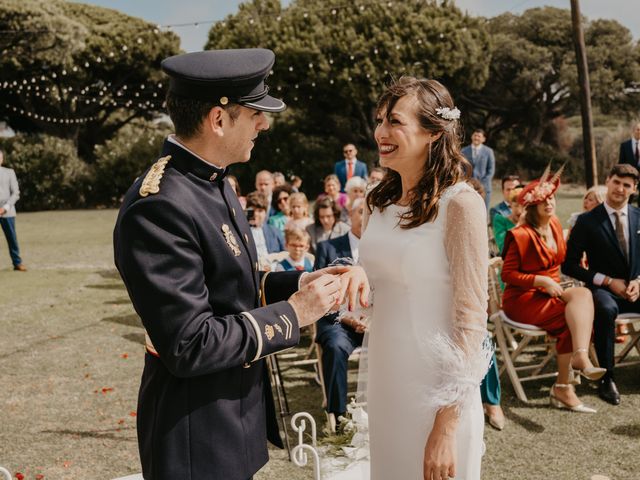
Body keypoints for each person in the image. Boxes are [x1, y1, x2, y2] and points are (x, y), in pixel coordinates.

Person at [112, 48, 368, 480]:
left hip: (235, 412)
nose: (264, 123)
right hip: (196, 427)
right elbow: (190, 343)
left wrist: (303, 280)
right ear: (218, 119)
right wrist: (297, 313)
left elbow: (234, 283)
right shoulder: (158, 206)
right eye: (255, 113)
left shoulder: (216, 182)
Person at [360, 77, 491, 480]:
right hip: (387, 380)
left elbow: (472, 320)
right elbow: (376, 293)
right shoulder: (376, 202)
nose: (381, 131)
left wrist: (445, 427)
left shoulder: (460, 205)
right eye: (380, 119)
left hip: (437, 394)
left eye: (395, 121)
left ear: (434, 133)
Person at [501, 166, 605, 415]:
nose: (549, 203)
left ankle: (580, 358)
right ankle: (563, 386)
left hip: (553, 290)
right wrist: (540, 281)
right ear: (533, 206)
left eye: (552, 199)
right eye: (543, 201)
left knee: (584, 296)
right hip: (522, 298)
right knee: (569, 318)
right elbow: (507, 275)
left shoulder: (557, 225)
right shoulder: (520, 235)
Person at [562, 164, 640, 406]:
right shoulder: (587, 221)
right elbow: (570, 265)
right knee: (605, 310)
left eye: (627, 185)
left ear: (634, 189)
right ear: (608, 181)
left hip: (636, 288)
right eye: (617, 182)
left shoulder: (639, 216)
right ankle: (607, 378)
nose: (620, 188)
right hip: (603, 289)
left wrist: (639, 281)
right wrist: (606, 281)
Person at [314, 198, 366, 425]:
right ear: (350, 214)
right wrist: (350, 319)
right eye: (362, 212)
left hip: (377, 322)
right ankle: (338, 415)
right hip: (338, 322)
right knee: (334, 346)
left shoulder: (384, 251)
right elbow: (319, 294)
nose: (367, 218)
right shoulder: (328, 248)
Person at [0, 149, 26, 271]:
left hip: (7, 212)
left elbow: (16, 193)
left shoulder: (9, 172)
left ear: (2, 159)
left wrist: (5, 208)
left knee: (12, 238)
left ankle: (17, 263)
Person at [245, 191, 285, 266]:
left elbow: (285, 253)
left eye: (260, 211)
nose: (256, 214)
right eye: (252, 211)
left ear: (265, 213)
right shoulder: (242, 232)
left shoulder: (274, 231)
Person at [461, 129, 495, 210]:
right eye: (475, 135)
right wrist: (467, 182)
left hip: (484, 187)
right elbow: (461, 168)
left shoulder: (489, 151)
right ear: (472, 136)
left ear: (483, 139)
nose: (476, 138)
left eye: (479, 136)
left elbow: (491, 170)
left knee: (483, 211)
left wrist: (481, 184)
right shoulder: (463, 151)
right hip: (467, 187)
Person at [493, 185, 525, 253]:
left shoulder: (532, 221)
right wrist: (519, 225)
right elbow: (503, 249)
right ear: (510, 205)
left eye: (523, 206)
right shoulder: (500, 220)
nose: (519, 210)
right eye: (516, 206)